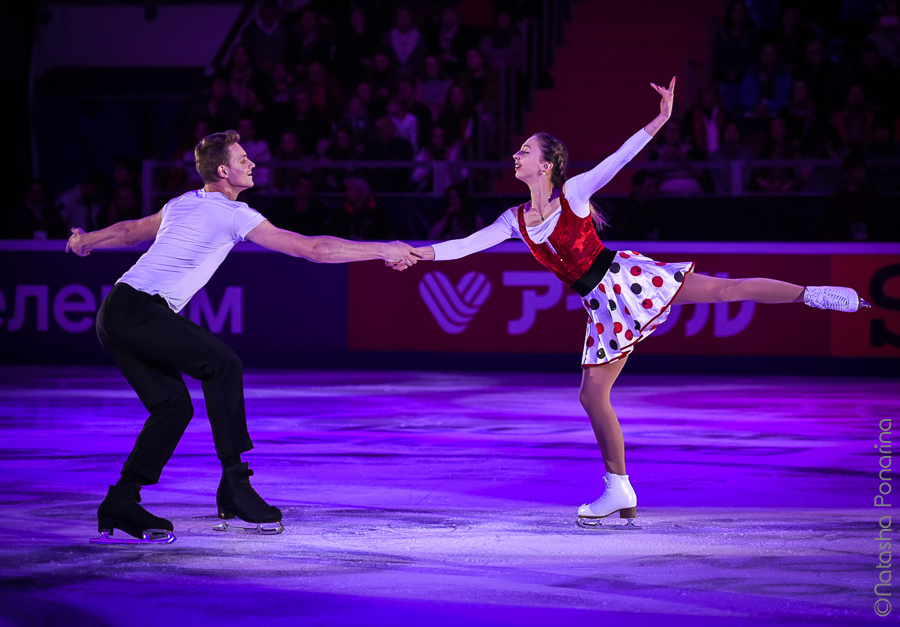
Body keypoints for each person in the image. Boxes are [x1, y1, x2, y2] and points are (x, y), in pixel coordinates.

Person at [404, 78, 870, 528]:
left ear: (546, 165)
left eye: (525, 150)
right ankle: (620, 490)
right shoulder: (515, 219)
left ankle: (813, 294)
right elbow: (465, 245)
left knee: (725, 290)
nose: (515, 155)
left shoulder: (574, 193)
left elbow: (620, 158)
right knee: (592, 396)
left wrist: (661, 119)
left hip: (624, 280)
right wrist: (418, 254)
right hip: (601, 306)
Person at [66, 130, 417, 544]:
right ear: (222, 170)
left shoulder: (183, 202)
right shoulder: (234, 213)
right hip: (139, 309)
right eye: (243, 159)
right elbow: (312, 249)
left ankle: (121, 499)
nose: (251, 163)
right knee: (224, 365)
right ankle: (235, 483)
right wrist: (383, 249)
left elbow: (130, 232)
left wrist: (85, 241)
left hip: (115, 312)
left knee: (173, 407)